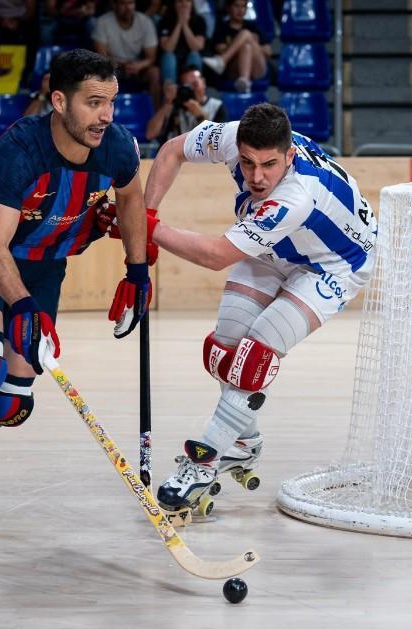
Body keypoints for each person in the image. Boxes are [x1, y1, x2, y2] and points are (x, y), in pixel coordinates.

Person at [0, 49, 153, 536]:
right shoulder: (20, 148)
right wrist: (20, 306)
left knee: (11, 405)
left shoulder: (118, 147)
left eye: (111, 102)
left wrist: (138, 272)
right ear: (59, 101)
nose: (106, 115)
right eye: (93, 102)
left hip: (45, 266)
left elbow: (131, 201)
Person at [142, 103, 377, 521]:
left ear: (289, 157)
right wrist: (147, 211)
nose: (256, 177)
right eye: (247, 163)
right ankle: (242, 443)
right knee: (222, 348)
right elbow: (171, 151)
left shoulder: (295, 195)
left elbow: (216, 256)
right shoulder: (232, 136)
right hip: (280, 247)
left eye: (269, 165)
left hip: (335, 262)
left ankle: (203, 461)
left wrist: (141, 228)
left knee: (255, 355)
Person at [93, 0, 160, 99]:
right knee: (100, 71)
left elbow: (151, 57)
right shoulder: (103, 22)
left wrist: (138, 65)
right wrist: (121, 65)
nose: (128, 8)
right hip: (112, 66)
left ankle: (155, 111)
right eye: (123, 4)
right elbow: (101, 57)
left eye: (131, 3)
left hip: (137, 67)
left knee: (154, 73)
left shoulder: (145, 22)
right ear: (114, 5)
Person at [146, 66, 226, 144]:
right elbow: (150, 134)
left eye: (195, 84)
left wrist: (199, 116)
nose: (192, 89)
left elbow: (216, 142)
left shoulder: (216, 106)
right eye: (187, 86)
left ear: (203, 82)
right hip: (174, 154)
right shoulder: (173, 105)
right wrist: (168, 103)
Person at [205, 0, 270, 93]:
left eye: (243, 7)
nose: (240, 10)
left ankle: (222, 60)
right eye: (237, 6)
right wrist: (243, 43)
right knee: (246, 46)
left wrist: (253, 43)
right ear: (228, 8)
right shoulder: (222, 27)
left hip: (257, 68)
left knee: (246, 35)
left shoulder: (253, 26)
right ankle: (244, 81)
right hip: (234, 69)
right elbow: (219, 48)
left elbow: (268, 51)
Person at [157, 0, 207, 85]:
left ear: (192, 4)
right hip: (172, 58)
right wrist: (179, 24)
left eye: (187, 1)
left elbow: (197, 47)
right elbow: (168, 48)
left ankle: (191, 91)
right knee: (168, 57)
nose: (184, 5)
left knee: (195, 55)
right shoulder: (165, 21)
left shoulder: (199, 20)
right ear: (174, 4)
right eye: (180, 1)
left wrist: (185, 25)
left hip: (190, 58)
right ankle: (171, 92)